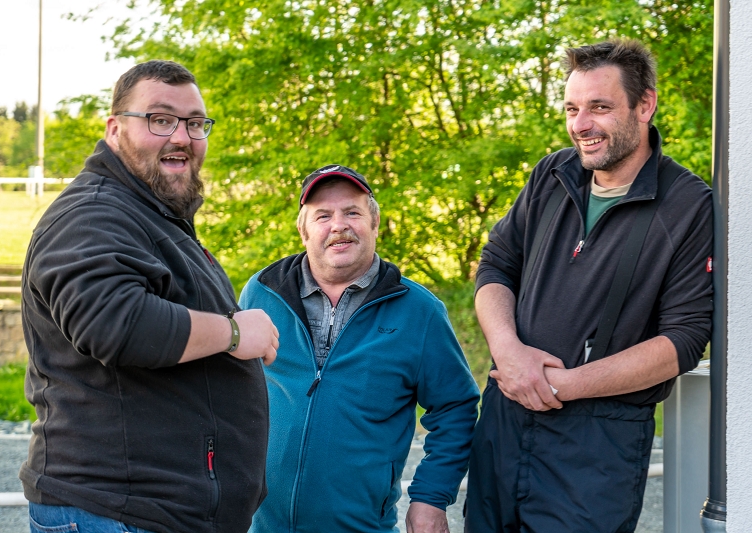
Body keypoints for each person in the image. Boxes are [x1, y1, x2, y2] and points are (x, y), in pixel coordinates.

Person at [463, 38, 713, 532]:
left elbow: (683, 340)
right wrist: (509, 353)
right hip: (504, 420)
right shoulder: (552, 174)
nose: (581, 125)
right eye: (572, 109)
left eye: (599, 107)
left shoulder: (687, 205)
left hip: (597, 448)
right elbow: (495, 265)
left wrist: (561, 385)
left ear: (645, 105)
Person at [20, 60, 279, 533]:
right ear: (114, 129)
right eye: (160, 120)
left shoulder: (148, 215)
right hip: (115, 513)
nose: (181, 136)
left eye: (195, 123)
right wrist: (235, 332)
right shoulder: (93, 214)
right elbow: (114, 323)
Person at [239, 164, 480, 532]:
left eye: (352, 212)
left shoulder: (419, 311)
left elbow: (455, 407)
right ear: (303, 230)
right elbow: (227, 395)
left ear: (374, 223)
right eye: (323, 216)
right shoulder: (261, 293)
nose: (339, 226)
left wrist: (430, 498)